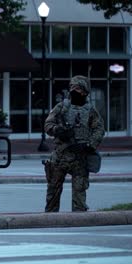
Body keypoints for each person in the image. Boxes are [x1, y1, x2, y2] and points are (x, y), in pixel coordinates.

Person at [44, 75, 105, 212]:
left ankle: (79, 221)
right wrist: (58, 130)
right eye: (72, 88)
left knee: (79, 195)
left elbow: (99, 129)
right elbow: (48, 124)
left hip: (80, 158)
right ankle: (50, 220)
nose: (74, 91)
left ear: (85, 92)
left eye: (77, 88)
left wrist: (89, 145)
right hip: (60, 156)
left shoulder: (90, 110)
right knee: (53, 191)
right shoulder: (61, 107)